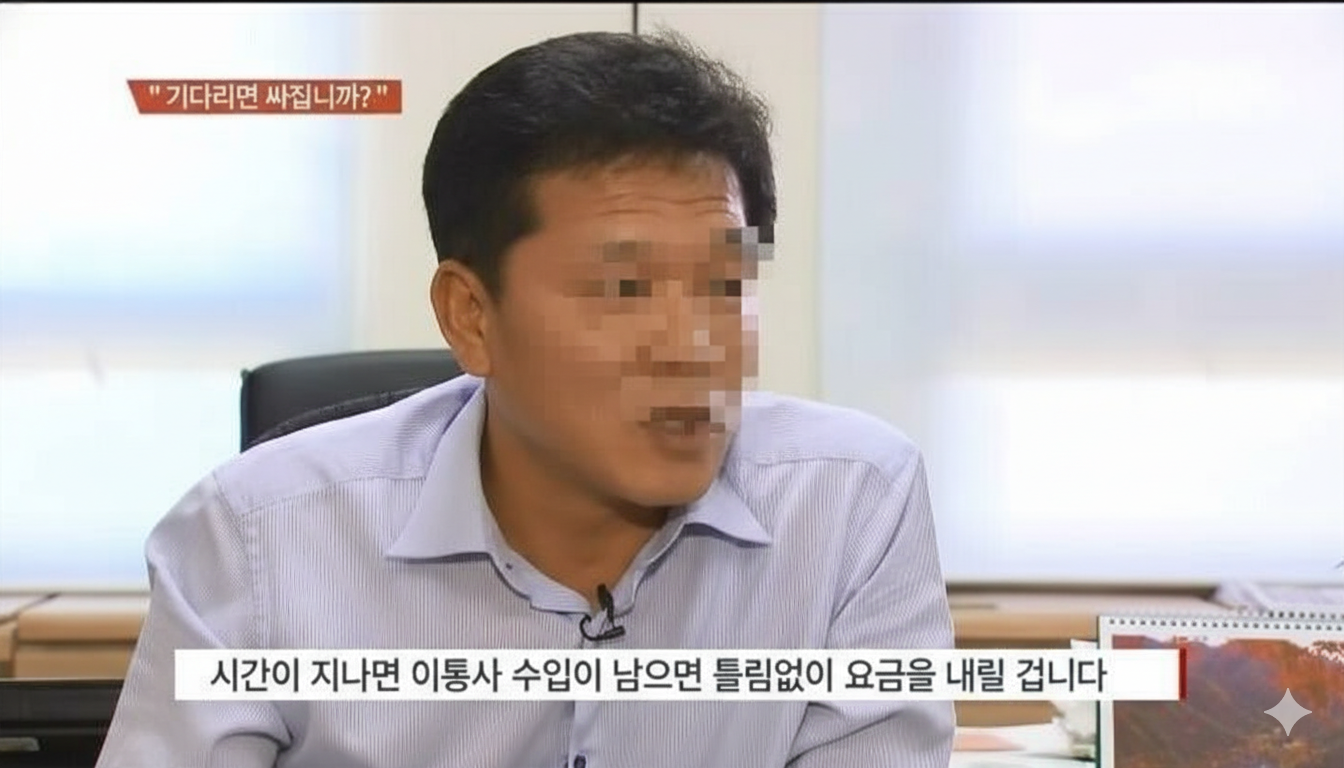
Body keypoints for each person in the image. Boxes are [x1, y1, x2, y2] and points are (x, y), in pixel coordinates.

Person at [96, 30, 955, 768]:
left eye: (724, 285)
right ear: (471, 317)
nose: (692, 346)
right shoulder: (257, 538)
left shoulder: (851, 505)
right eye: (622, 289)